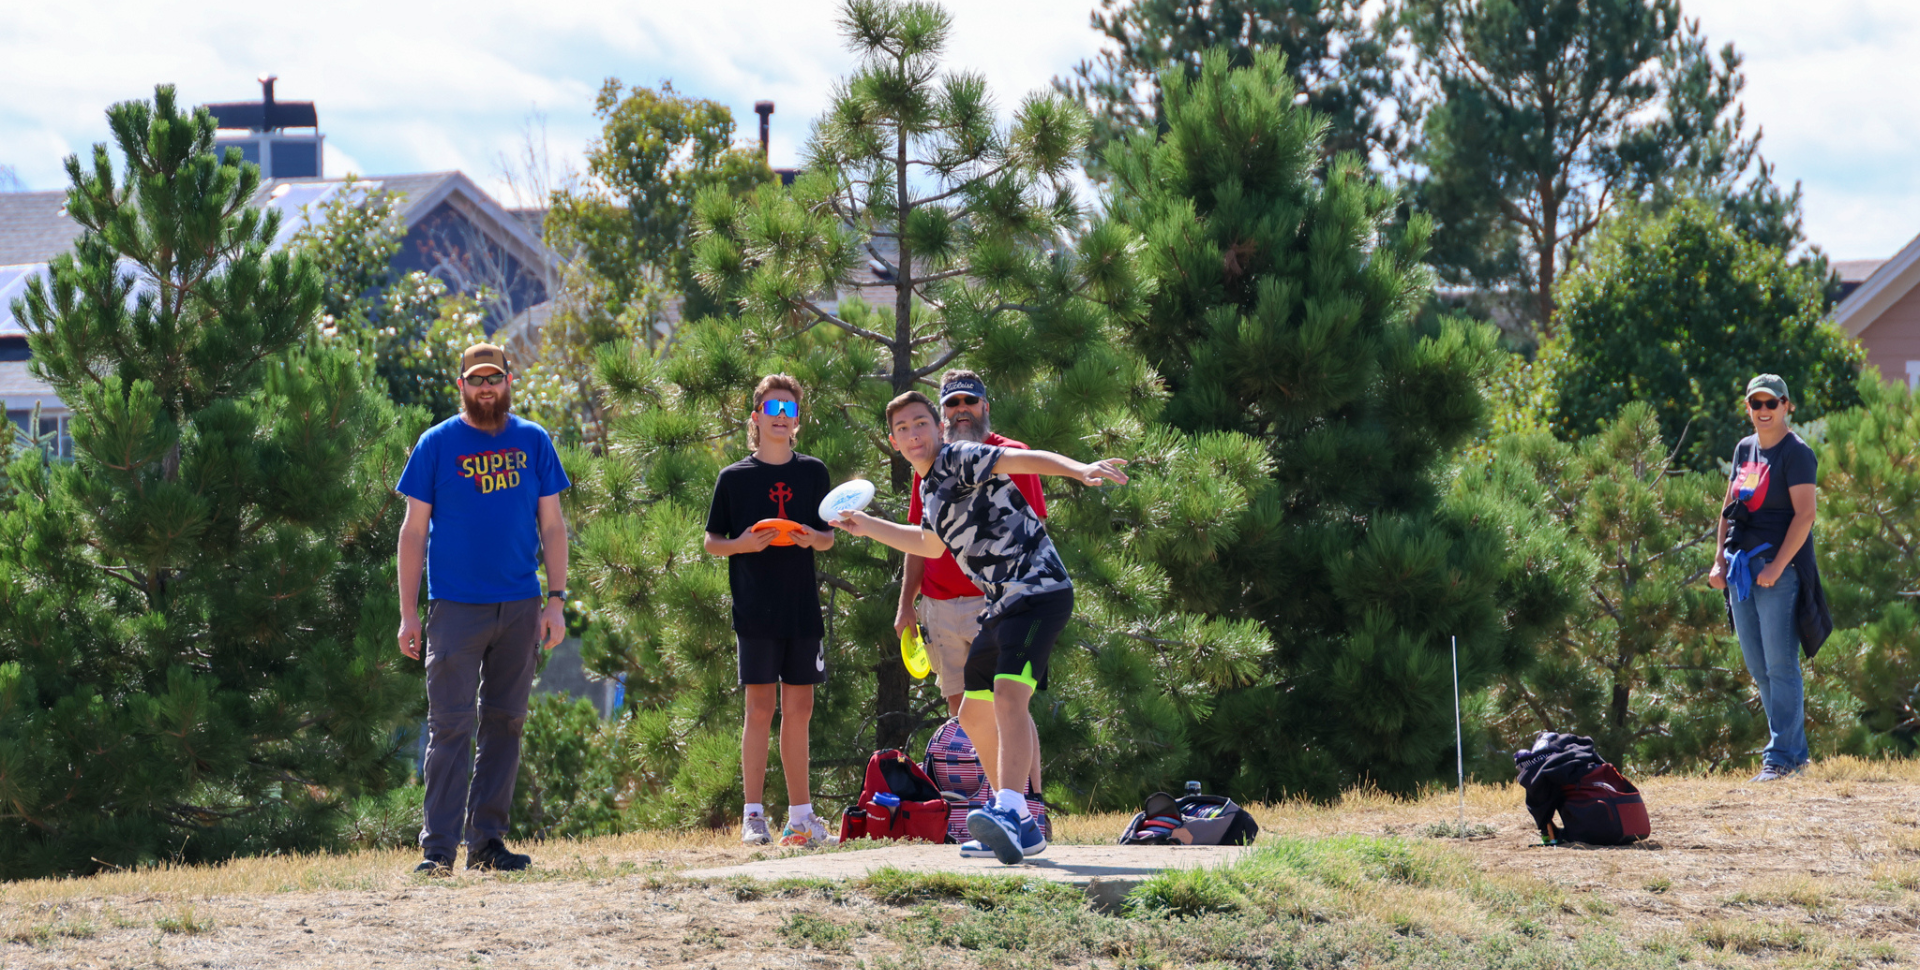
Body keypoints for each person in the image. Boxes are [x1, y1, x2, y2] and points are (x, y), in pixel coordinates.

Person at [834, 391, 1128, 865]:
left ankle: (1012, 808)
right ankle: (1023, 827)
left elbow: (1021, 460)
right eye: (903, 429)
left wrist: (1076, 469)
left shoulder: (959, 457)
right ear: (894, 441)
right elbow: (929, 546)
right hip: (1002, 604)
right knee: (972, 714)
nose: (913, 434)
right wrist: (868, 525)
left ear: (938, 427)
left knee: (1010, 696)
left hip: (1039, 591)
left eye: (920, 424)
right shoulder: (929, 488)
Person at [396, 343, 571, 874]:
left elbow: (554, 526)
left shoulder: (533, 440)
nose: (486, 387)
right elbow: (413, 531)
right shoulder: (437, 444)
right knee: (450, 726)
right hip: (455, 608)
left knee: (506, 723)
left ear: (509, 380)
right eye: (476, 380)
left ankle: (488, 845)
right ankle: (439, 851)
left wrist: (557, 601)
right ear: (462, 387)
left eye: (494, 377)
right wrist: (408, 612)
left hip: (520, 605)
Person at [893, 371, 1048, 797]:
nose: (962, 410)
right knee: (965, 712)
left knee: (1011, 705)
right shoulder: (927, 464)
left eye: (970, 401)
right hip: (940, 606)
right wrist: (907, 604)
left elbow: (1034, 534)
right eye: (952, 404)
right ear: (943, 414)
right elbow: (917, 540)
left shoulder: (1012, 456)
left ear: (985, 407)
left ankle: (1030, 805)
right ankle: (994, 804)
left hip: (994, 601)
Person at [704, 375, 836, 847]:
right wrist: (740, 545)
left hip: (802, 609)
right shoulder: (734, 478)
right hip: (755, 610)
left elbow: (828, 536)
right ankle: (753, 815)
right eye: (772, 408)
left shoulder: (813, 472)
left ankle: (801, 818)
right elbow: (712, 541)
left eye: (790, 409)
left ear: (797, 420)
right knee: (760, 708)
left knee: (799, 709)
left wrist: (811, 537)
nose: (781, 416)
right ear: (756, 417)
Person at [1707, 374, 1830, 782]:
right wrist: (1718, 563)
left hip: (1778, 572)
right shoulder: (1745, 448)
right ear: (1748, 408)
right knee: (1759, 667)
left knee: (1781, 665)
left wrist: (1777, 567)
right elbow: (1728, 510)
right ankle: (1789, 756)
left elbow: (1806, 515)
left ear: (1786, 406)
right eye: (1755, 404)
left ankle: (1783, 757)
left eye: (1771, 403)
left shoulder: (1797, 454)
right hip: (1741, 570)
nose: (1763, 411)